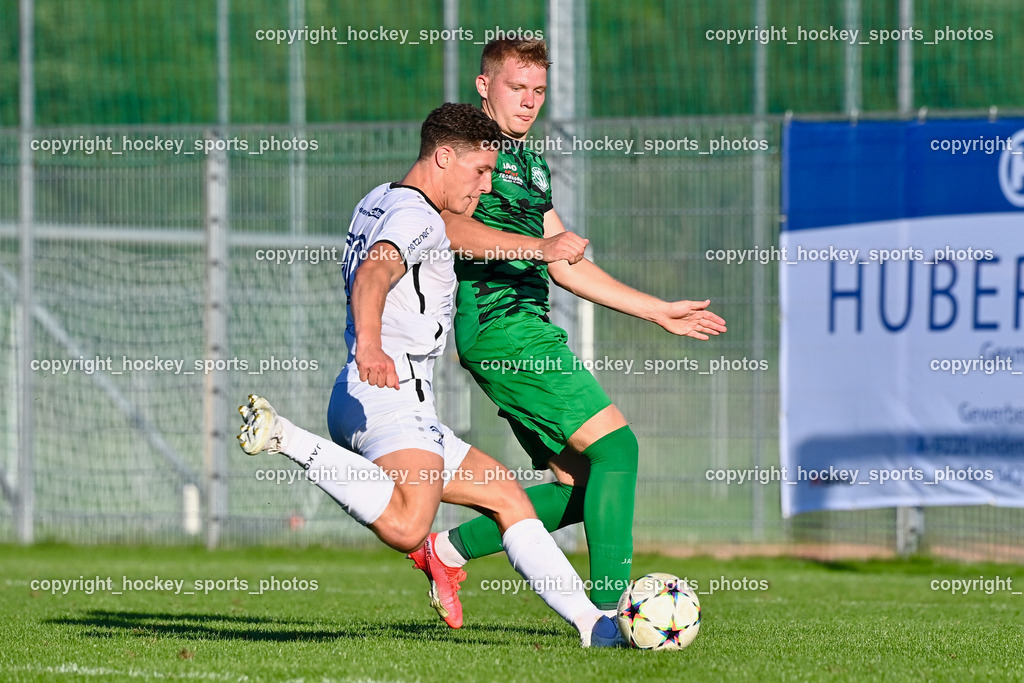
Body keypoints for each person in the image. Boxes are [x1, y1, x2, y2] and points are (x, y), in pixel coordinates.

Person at [239, 102, 623, 647]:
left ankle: (594, 626)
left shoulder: (381, 199)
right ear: (444, 157)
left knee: (506, 497)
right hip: (387, 396)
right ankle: (285, 437)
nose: (486, 188)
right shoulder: (416, 217)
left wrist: (535, 248)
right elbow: (376, 269)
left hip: (390, 399)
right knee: (406, 525)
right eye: (480, 171)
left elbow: (446, 239)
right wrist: (372, 345)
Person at [415, 40, 728, 619]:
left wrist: (656, 309)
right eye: (516, 88)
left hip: (527, 327)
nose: (530, 101)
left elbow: (565, 262)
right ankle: (613, 614)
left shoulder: (532, 165)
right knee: (619, 450)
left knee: (581, 486)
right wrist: (538, 246)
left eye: (538, 90)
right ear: (485, 86)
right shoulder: (468, 155)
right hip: (501, 327)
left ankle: (447, 550)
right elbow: (450, 231)